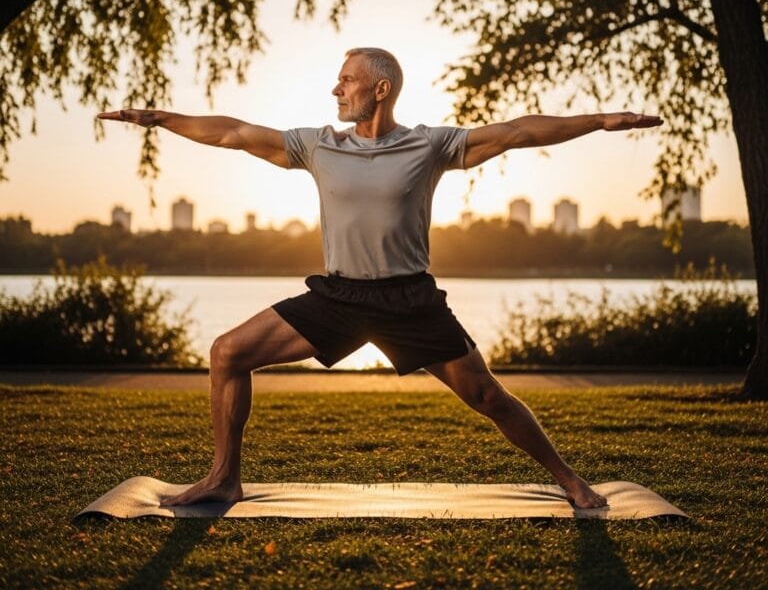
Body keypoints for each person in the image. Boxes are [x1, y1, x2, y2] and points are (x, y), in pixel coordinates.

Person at [98, 46, 662, 510]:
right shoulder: (318, 144)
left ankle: (567, 479)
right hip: (338, 295)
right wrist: (161, 119)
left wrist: (601, 121)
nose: (336, 90)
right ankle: (223, 477)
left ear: (380, 88)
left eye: (346, 80)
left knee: (488, 395)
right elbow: (236, 133)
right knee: (227, 353)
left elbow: (517, 132)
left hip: (408, 299)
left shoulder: (429, 144)